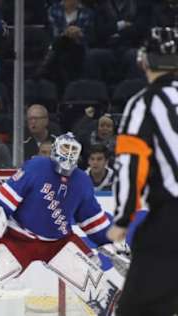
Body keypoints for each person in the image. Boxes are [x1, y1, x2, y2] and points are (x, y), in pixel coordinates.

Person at [0, 133, 124, 316]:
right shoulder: (36, 167)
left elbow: (95, 221)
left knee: (99, 290)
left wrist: (116, 246)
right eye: (64, 149)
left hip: (59, 242)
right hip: (19, 239)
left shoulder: (81, 181)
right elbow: (3, 202)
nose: (68, 155)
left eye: (73, 151)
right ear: (55, 148)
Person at [107, 27, 178, 316]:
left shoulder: (143, 103)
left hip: (170, 219)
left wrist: (123, 218)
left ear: (143, 61)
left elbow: (131, 164)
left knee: (137, 309)